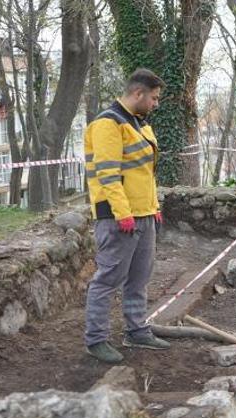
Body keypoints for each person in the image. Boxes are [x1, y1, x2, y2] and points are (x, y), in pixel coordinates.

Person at [83, 68, 171, 363]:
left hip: (143, 214)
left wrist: (154, 208)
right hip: (119, 217)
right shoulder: (108, 124)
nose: (156, 104)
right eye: (154, 98)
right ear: (138, 94)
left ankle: (137, 331)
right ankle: (96, 339)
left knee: (139, 278)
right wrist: (123, 215)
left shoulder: (138, 123)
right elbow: (108, 175)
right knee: (108, 279)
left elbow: (144, 174)